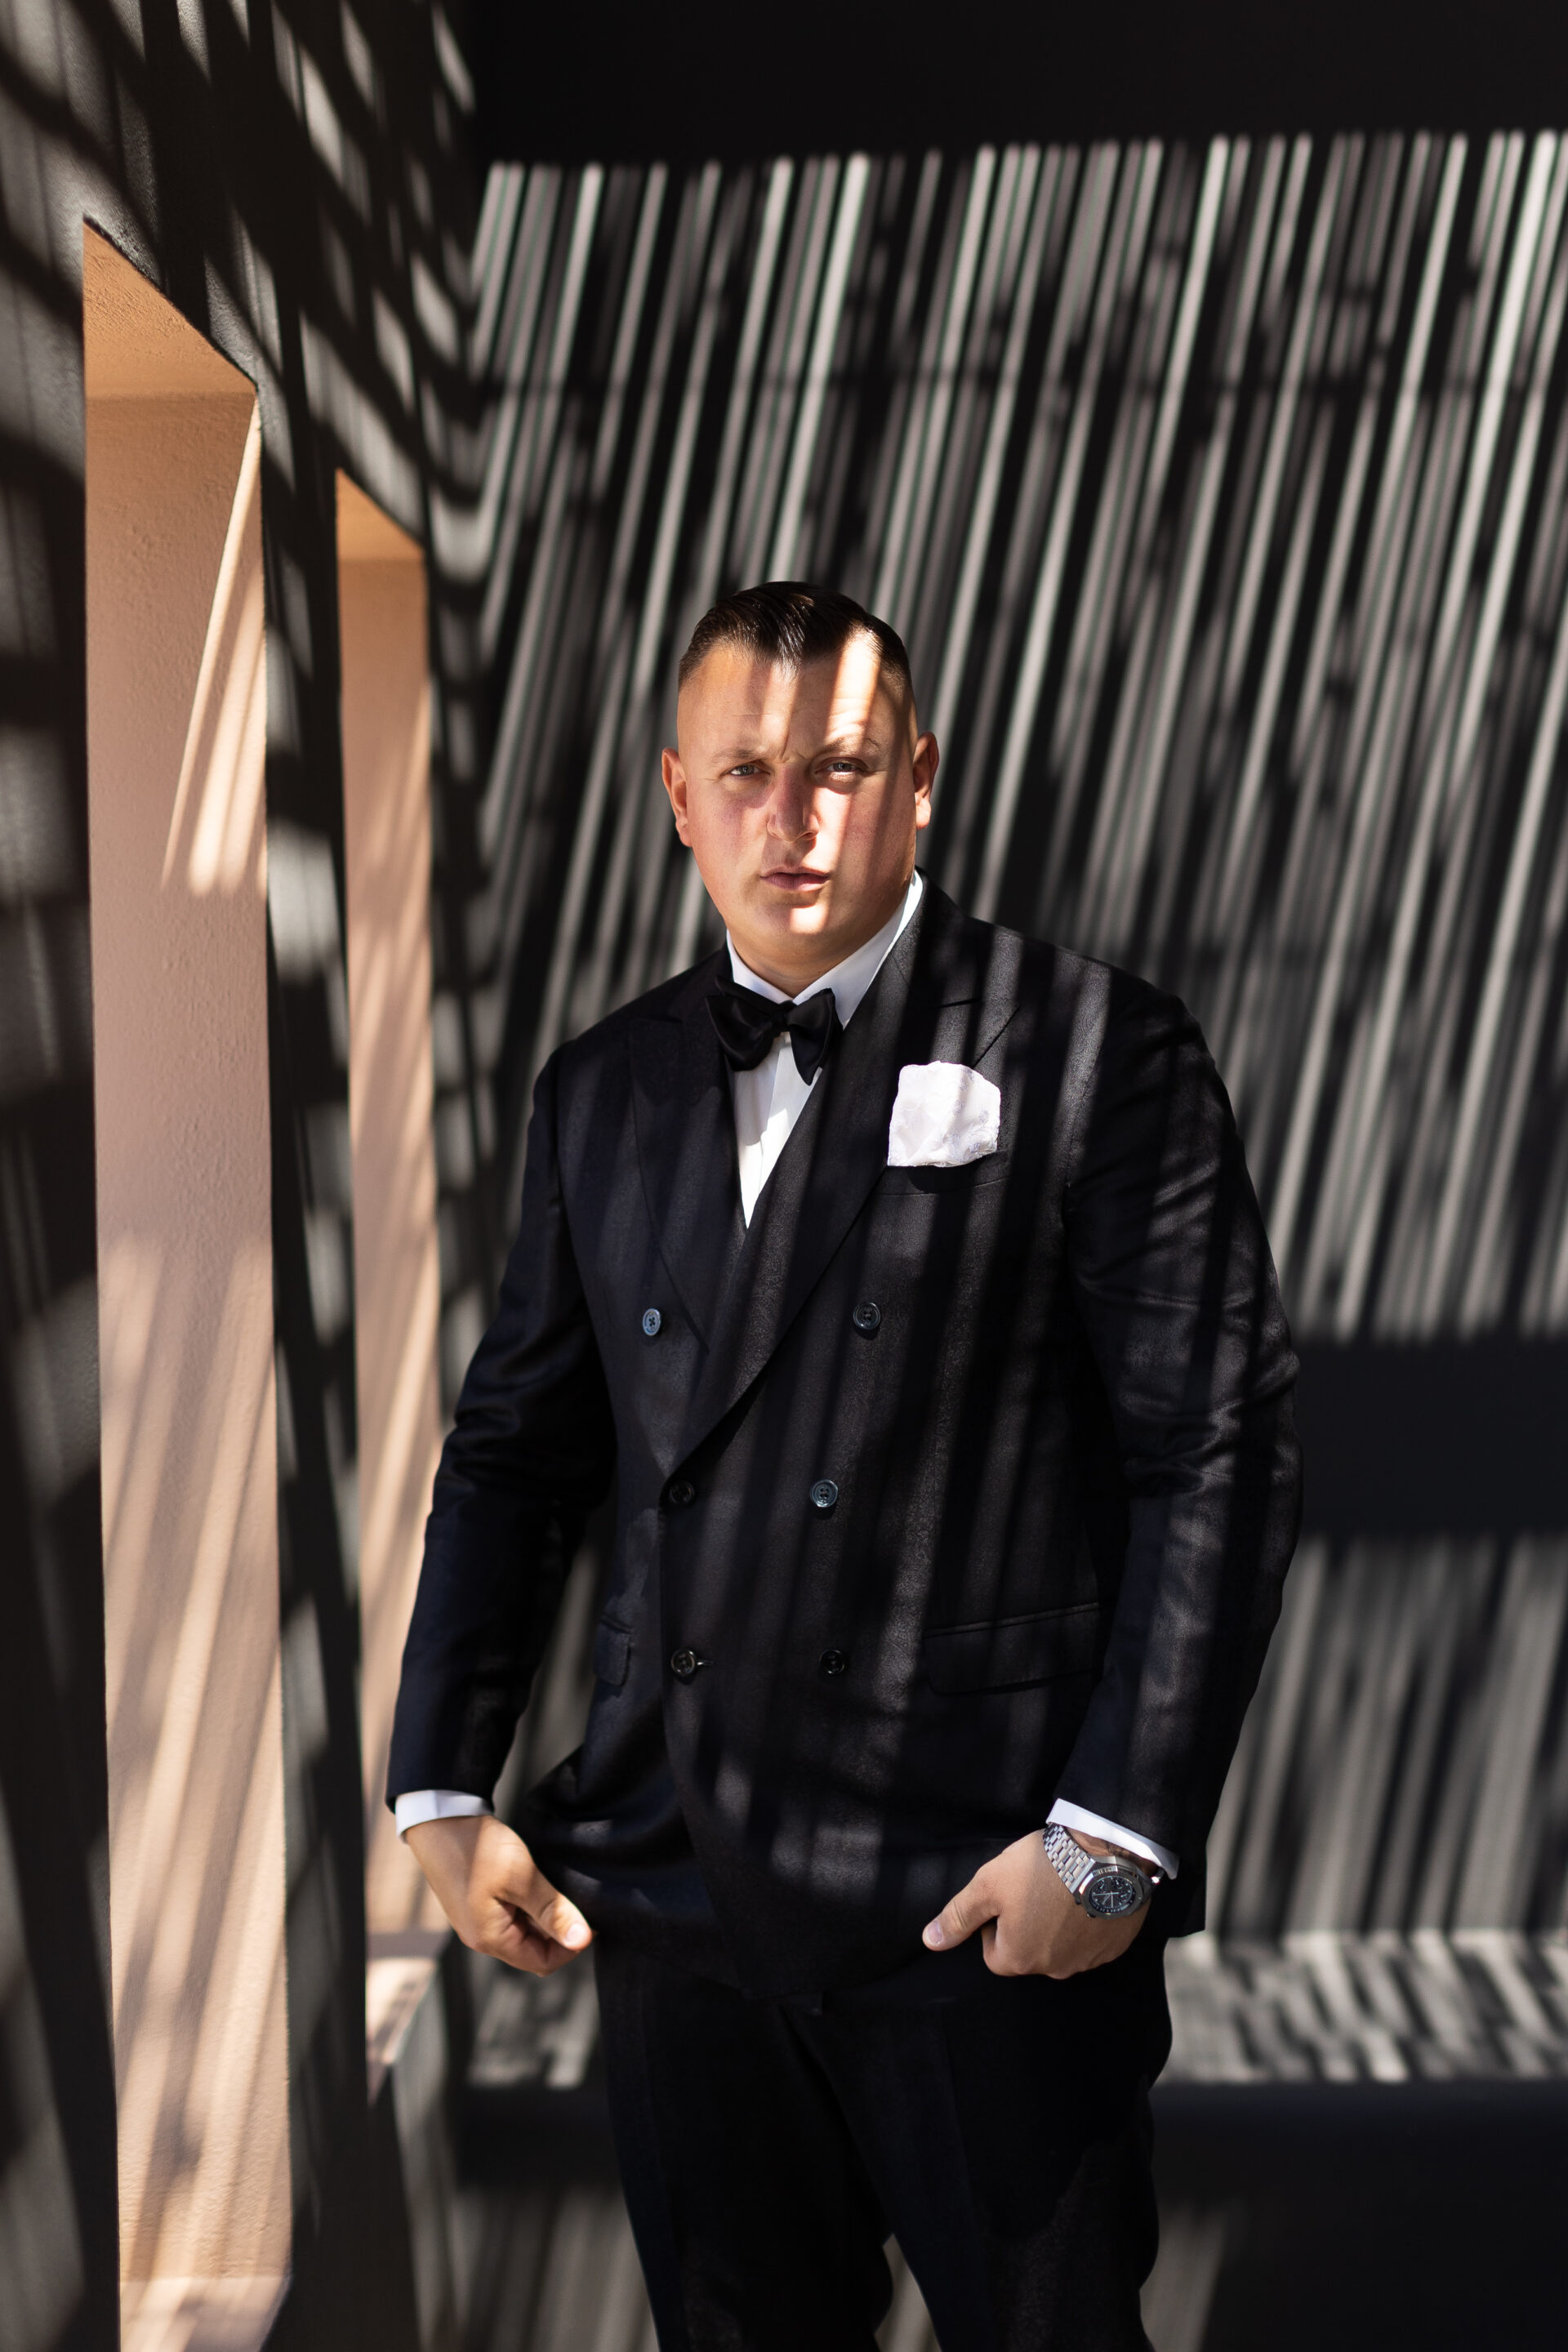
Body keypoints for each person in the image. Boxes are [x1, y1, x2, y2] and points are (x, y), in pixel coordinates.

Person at [389, 582, 1302, 2350]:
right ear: (675, 795)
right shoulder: (602, 1093)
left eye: (841, 766)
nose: (790, 818)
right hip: (679, 1888)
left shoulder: (1101, 1051)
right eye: (745, 772)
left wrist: (1108, 1842)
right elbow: (515, 1453)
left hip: (980, 1896)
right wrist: (439, 1781)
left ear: (922, 778)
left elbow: (1222, 1450)